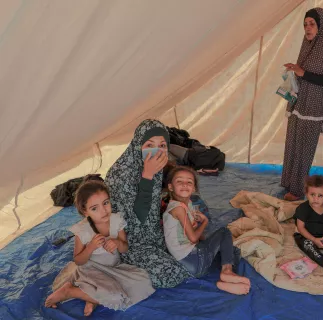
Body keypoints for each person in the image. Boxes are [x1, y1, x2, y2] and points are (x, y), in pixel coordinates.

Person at [45, 181, 155, 316]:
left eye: (106, 203)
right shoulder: (83, 231)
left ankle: (91, 298)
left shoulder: (116, 220)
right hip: (91, 271)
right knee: (117, 298)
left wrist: (117, 243)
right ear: (85, 212)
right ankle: (70, 291)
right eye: (94, 208)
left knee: (143, 282)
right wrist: (90, 247)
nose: (103, 210)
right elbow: (78, 260)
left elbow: (124, 248)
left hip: (114, 268)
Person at [105, 119, 192, 288]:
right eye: (149, 144)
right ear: (138, 145)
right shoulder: (120, 175)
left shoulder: (153, 164)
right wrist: (147, 176)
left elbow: (152, 205)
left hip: (151, 233)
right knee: (171, 275)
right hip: (129, 241)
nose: (157, 151)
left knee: (186, 259)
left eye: (162, 145)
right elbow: (136, 220)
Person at [281, 8, 323, 201]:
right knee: (292, 143)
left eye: (312, 24)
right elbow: (302, 71)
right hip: (299, 101)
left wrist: (302, 73)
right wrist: (294, 72)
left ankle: (298, 190)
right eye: (305, 24)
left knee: (304, 148)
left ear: (321, 26)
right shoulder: (308, 44)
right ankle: (288, 182)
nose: (307, 28)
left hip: (314, 106)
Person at [163, 166, 251, 295]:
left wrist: (208, 240)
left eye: (189, 182)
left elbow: (198, 238)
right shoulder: (178, 209)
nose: (185, 185)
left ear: (194, 188)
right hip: (192, 261)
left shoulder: (188, 205)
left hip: (191, 263)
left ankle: (225, 281)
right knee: (224, 233)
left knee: (231, 250)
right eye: (179, 181)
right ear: (170, 187)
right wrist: (204, 222)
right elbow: (194, 238)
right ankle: (226, 272)